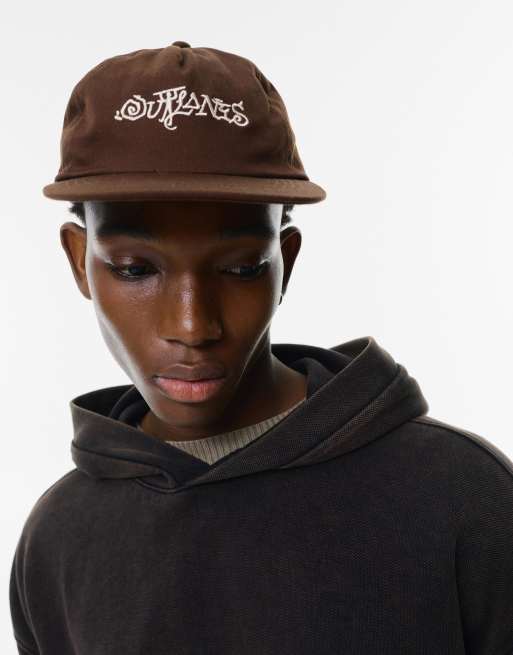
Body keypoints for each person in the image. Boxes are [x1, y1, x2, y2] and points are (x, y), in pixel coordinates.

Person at [9, 40, 513, 655]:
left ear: (286, 262)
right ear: (78, 262)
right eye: (136, 269)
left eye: (241, 268)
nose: (192, 326)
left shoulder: (461, 496)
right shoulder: (58, 538)